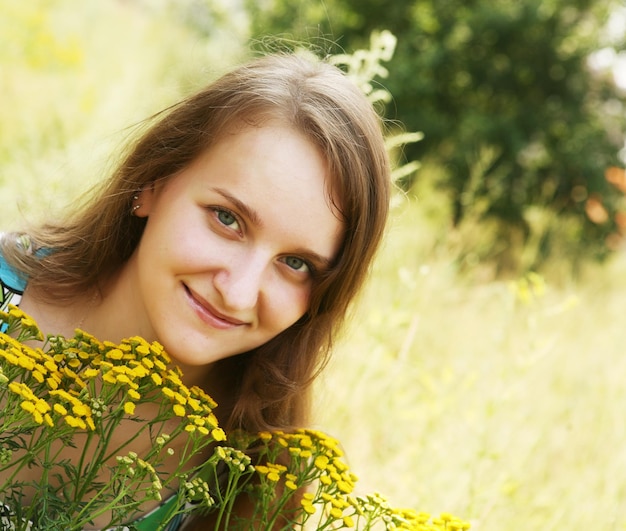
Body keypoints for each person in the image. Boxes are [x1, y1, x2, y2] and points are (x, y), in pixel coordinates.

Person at [0, 51, 391, 529]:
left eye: (296, 263)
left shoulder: (258, 481)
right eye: (227, 219)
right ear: (152, 183)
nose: (239, 293)